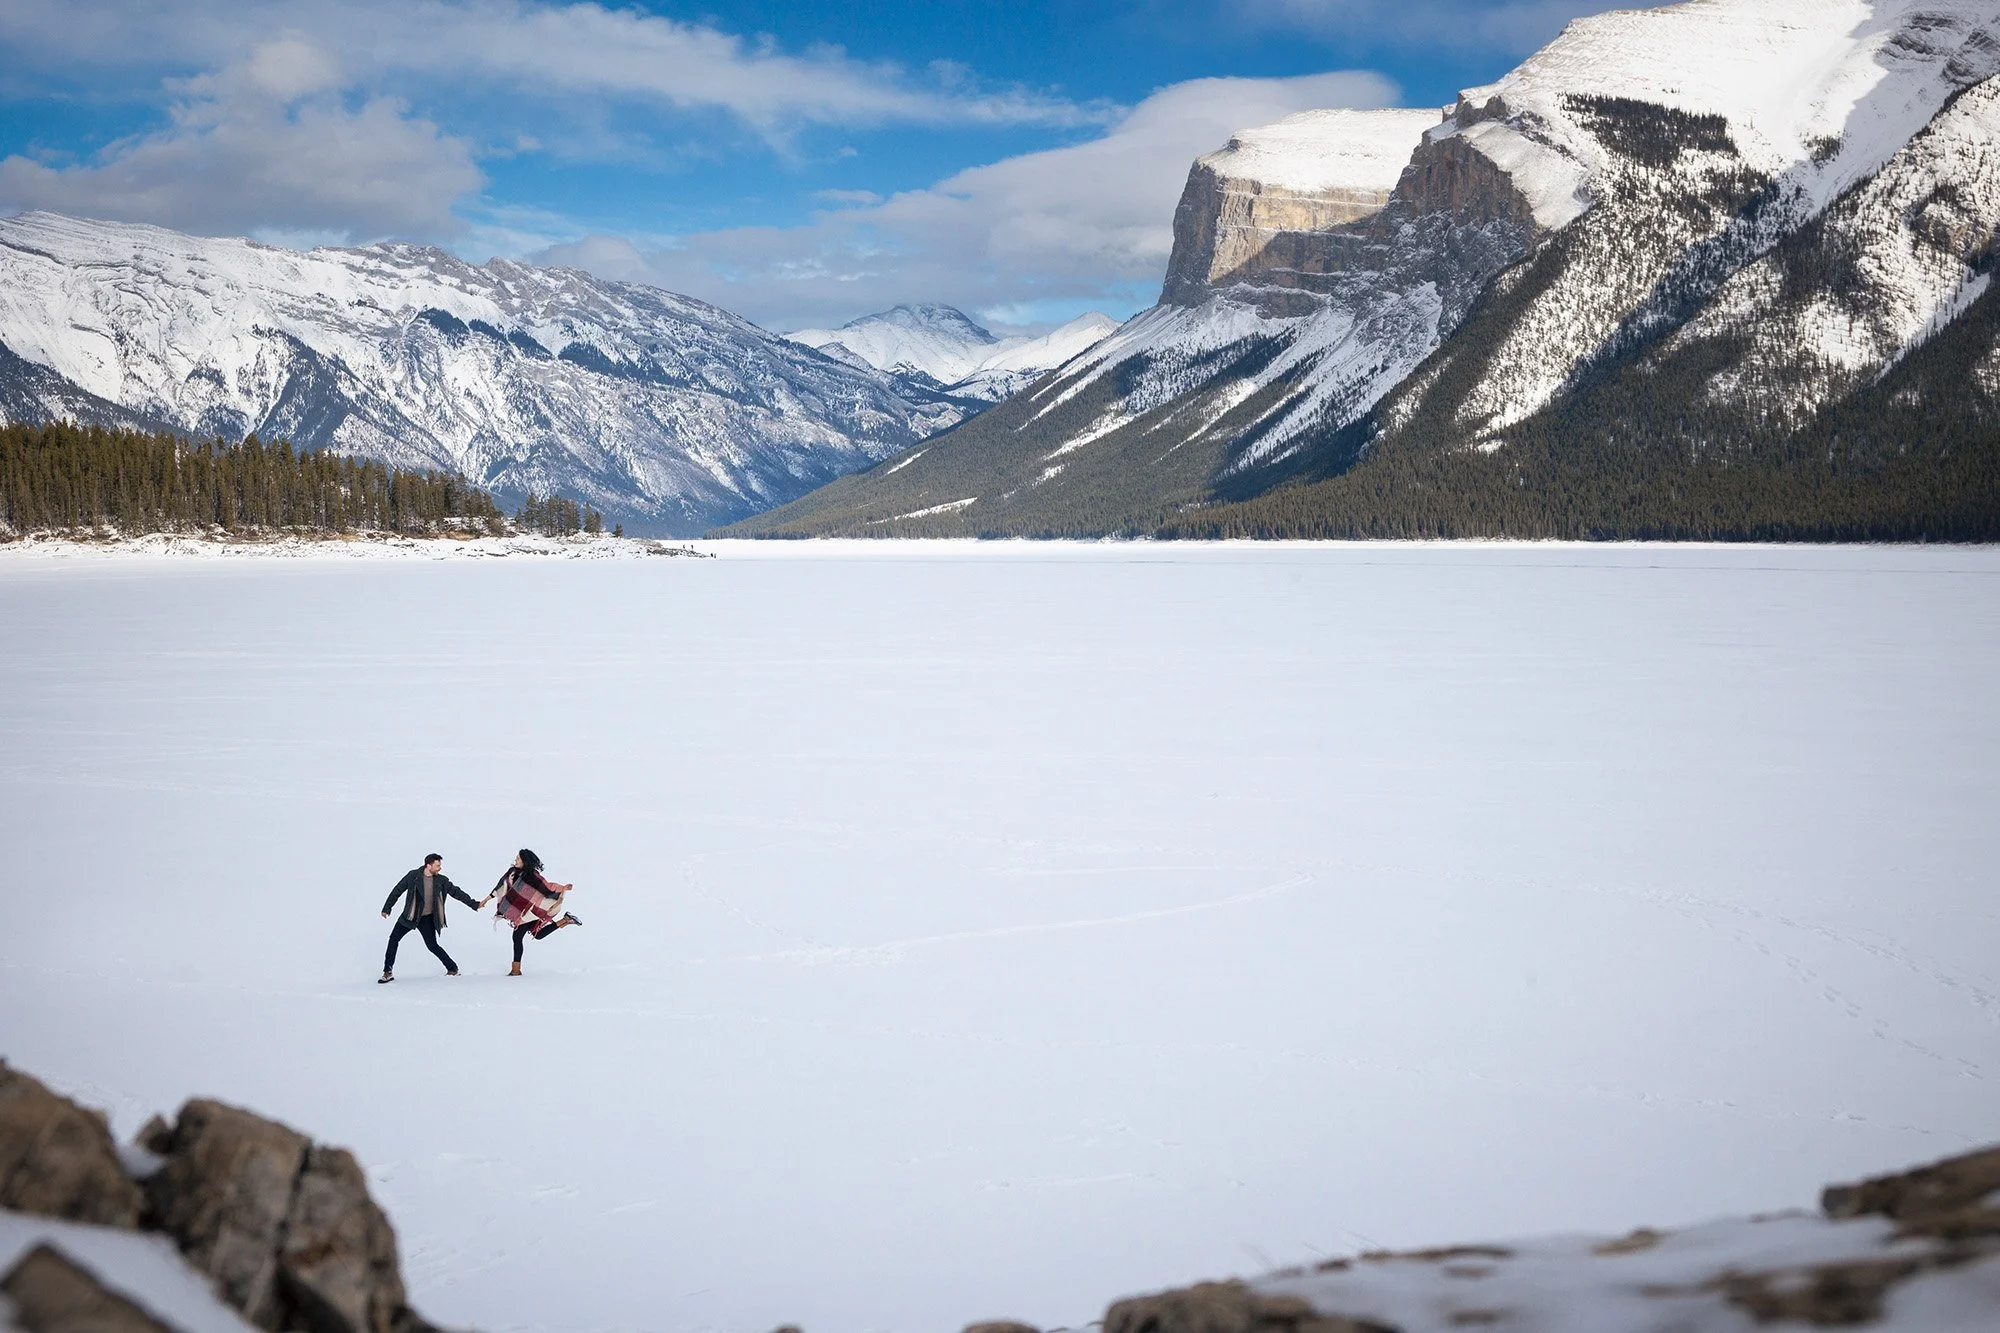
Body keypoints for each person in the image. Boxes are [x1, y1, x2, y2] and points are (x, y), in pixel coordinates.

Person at [379, 853, 490, 983]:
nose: (440, 868)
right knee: (393, 939)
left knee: (432, 945)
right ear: (428, 865)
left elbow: (457, 892)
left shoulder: (441, 880)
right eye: (437, 865)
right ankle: (387, 972)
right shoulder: (413, 876)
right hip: (410, 916)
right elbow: (397, 891)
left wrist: (474, 904)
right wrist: (387, 908)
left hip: (427, 919)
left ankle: (452, 968)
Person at [492, 848, 580, 976]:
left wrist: (563, 888)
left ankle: (516, 970)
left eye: (518, 858)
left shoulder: (532, 875)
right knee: (537, 935)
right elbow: (503, 885)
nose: (515, 860)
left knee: (517, 937)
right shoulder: (513, 873)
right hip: (523, 911)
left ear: (525, 861)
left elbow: (547, 887)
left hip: (530, 912)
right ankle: (566, 920)